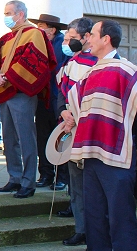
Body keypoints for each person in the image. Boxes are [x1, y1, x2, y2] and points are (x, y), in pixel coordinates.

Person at [61, 19, 137, 250]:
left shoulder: (126, 70)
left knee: (120, 215)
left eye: (92, 34)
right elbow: (76, 103)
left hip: (118, 155)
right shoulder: (91, 71)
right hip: (91, 153)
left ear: (106, 39)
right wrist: (66, 113)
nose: (88, 39)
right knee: (95, 215)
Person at [0, 0, 56, 199]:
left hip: (22, 93)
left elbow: (32, 61)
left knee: (26, 138)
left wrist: (7, 77)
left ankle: (28, 182)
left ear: (20, 14)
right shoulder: (5, 38)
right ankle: (14, 177)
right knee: (9, 138)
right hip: (4, 90)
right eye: (5, 12)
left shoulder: (35, 34)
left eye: (9, 12)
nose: (6, 16)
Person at [54, 17, 97, 247]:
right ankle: (81, 229)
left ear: (86, 37)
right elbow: (62, 90)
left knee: (94, 184)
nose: (68, 42)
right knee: (76, 183)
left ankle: (97, 230)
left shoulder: (104, 62)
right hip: (71, 127)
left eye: (72, 38)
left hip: (93, 131)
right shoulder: (72, 62)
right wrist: (63, 112)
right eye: (67, 38)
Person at [28, 13, 69, 191]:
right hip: (42, 99)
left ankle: (62, 177)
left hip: (57, 99)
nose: (39, 29)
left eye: (42, 26)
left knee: (60, 138)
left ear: (52, 29)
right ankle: (45, 174)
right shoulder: (39, 43)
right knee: (43, 138)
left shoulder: (62, 44)